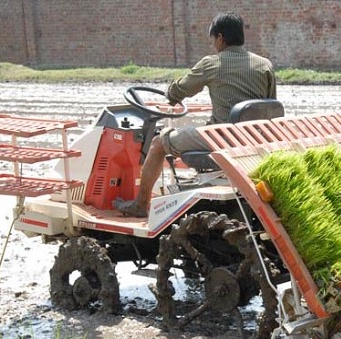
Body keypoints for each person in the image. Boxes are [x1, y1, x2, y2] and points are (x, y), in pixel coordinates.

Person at [113, 12, 276, 217]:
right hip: (253, 138)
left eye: (213, 39)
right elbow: (270, 105)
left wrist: (171, 94)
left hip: (222, 139)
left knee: (158, 144)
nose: (213, 44)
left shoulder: (212, 63)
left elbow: (179, 91)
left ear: (220, 38)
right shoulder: (264, 65)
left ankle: (140, 204)